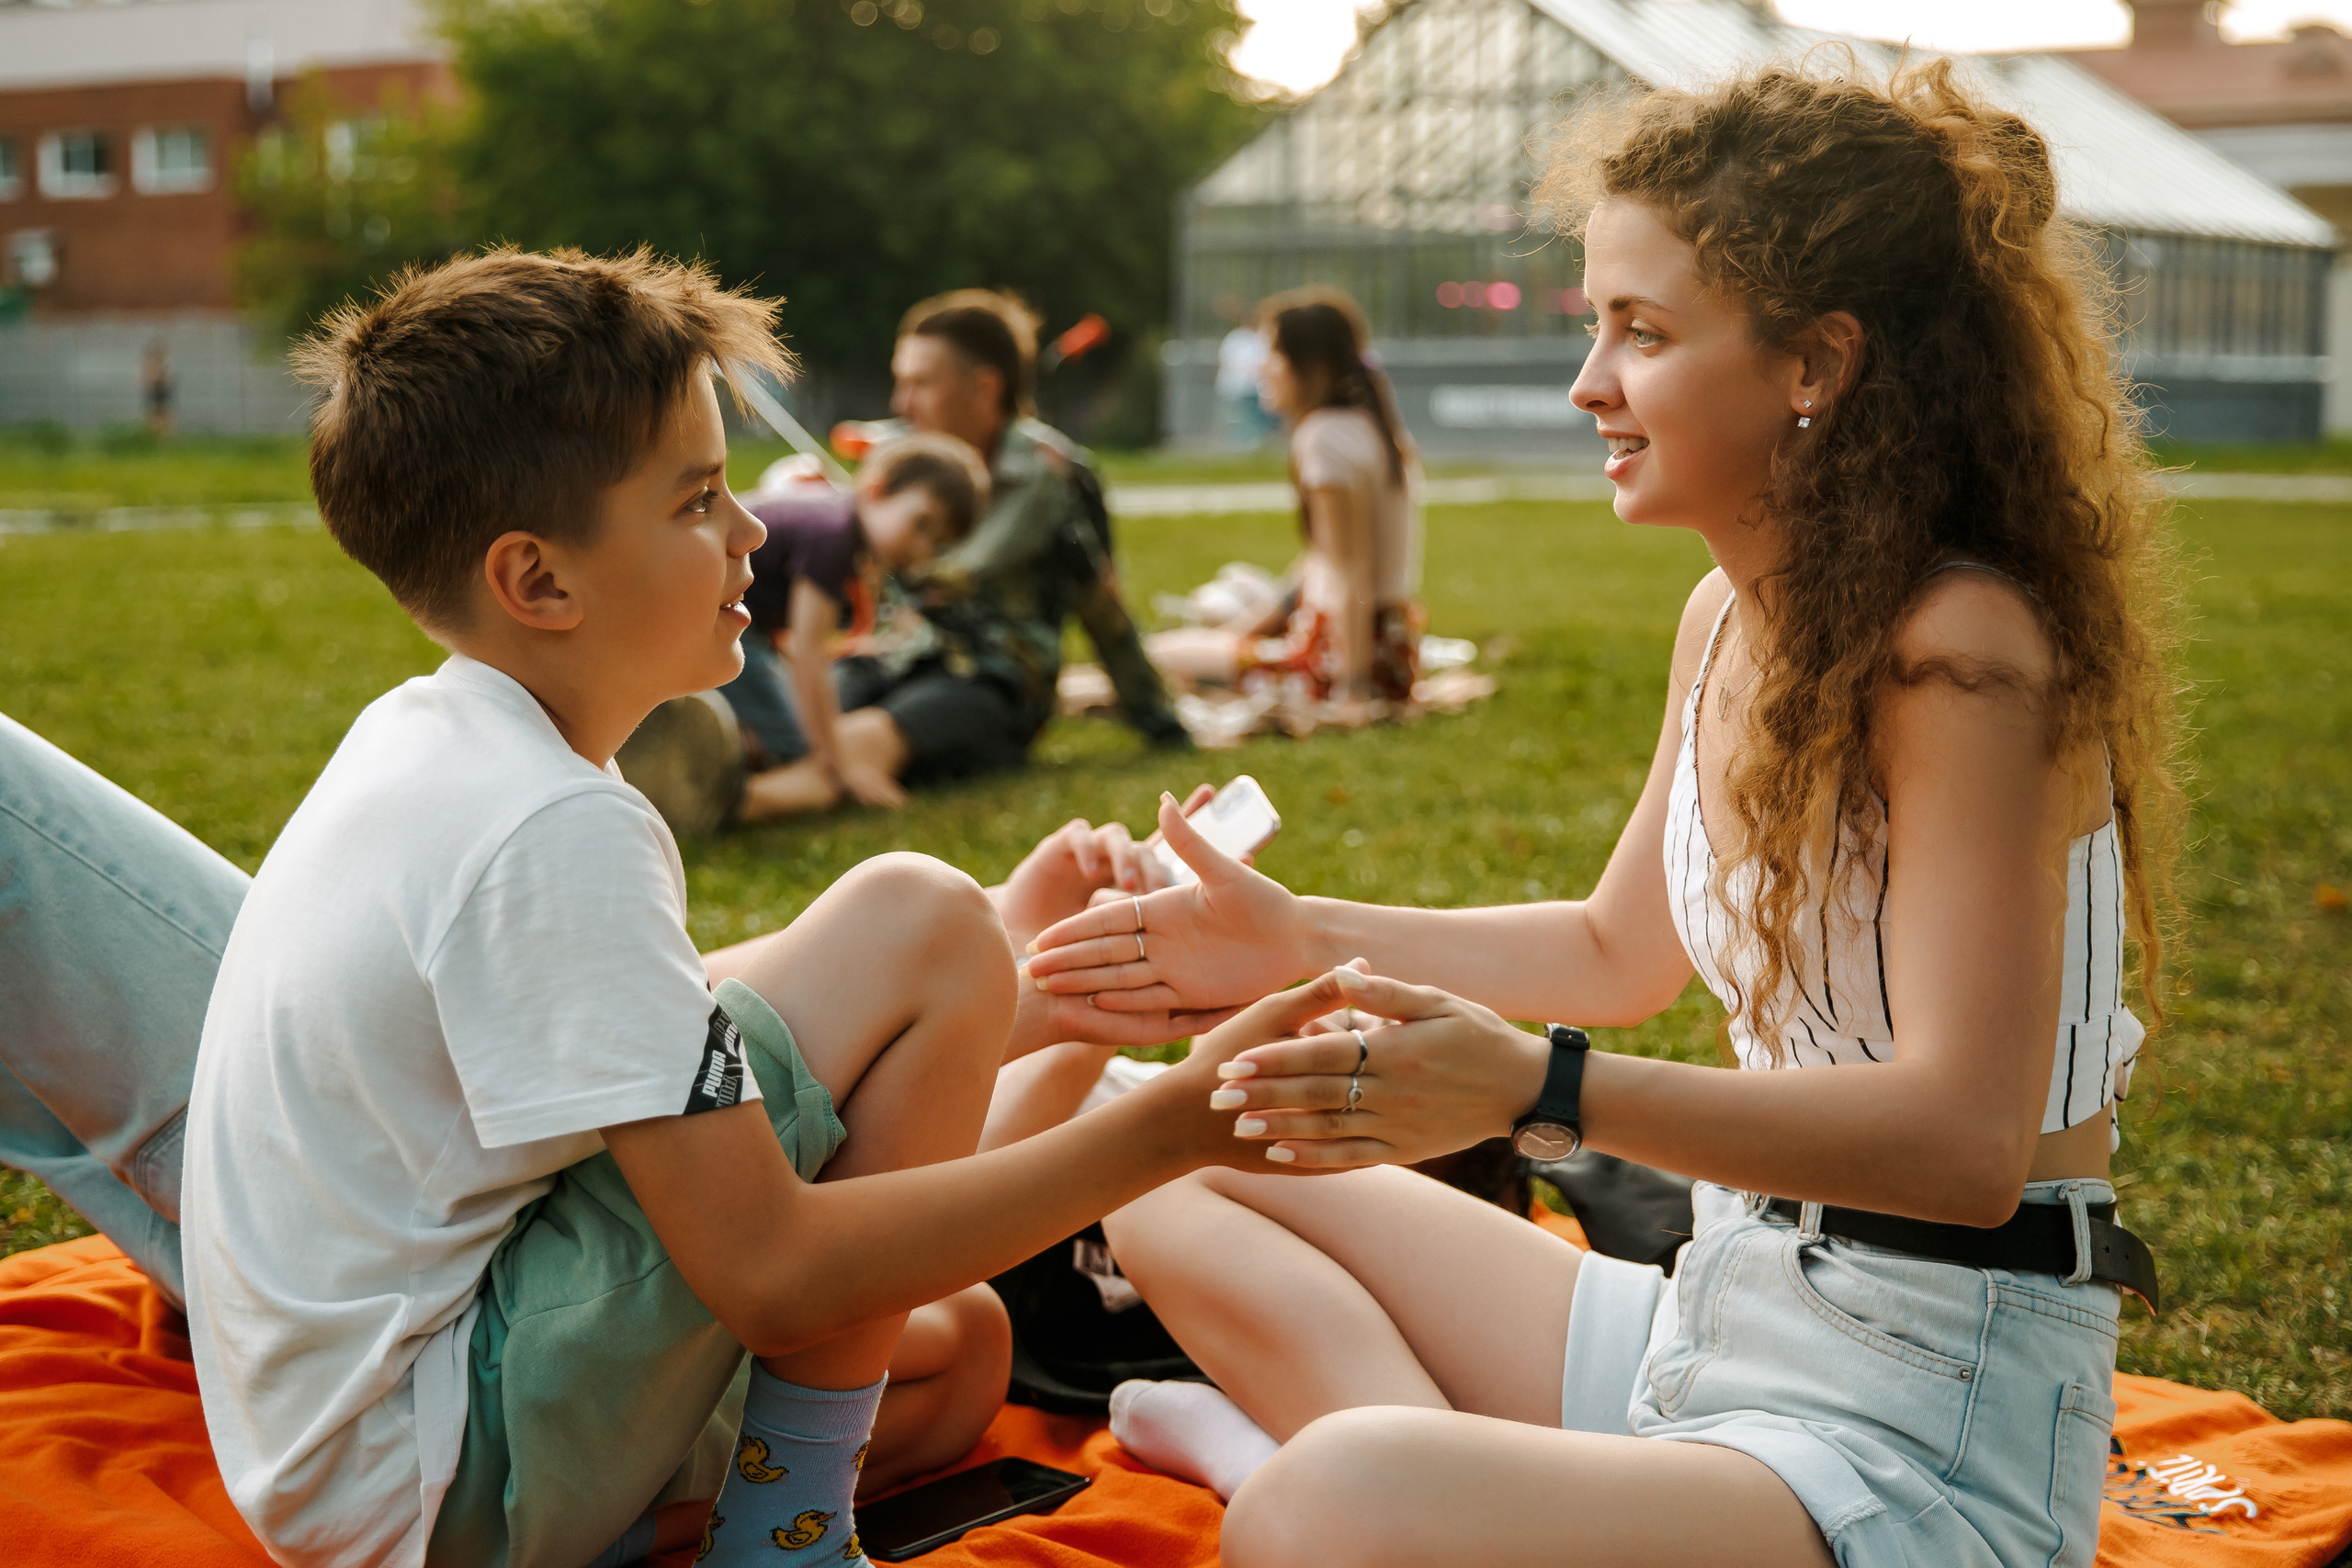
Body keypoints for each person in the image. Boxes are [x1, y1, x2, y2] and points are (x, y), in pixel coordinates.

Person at [1027, 59, 2183, 1568]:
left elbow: (1966, 1141)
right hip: (1723, 1314)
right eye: (1596, 325)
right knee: (1176, 1140)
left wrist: (1537, 1090)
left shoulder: (1962, 655)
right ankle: (1407, 1477)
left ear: (1812, 365)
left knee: (1332, 1507)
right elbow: (1609, 946)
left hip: (1923, 1429)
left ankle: (1339, 1475)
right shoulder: (1727, 615)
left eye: (1641, 331)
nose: (1589, 384)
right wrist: (1286, 936)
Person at [161, 245, 1323, 1568]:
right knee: (922, 915)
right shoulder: (551, 825)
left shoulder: (435, 740)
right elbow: (776, 1271)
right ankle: (787, 1540)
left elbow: (676, 1051)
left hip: (367, 1464)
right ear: (539, 581)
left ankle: (720, 1516)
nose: (754, 530)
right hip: (440, 1472)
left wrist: (1038, 1002)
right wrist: (1170, 1125)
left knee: (960, 1351)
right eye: (700, 499)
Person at [617, 433, 992, 830]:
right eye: (922, 525)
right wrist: (841, 765)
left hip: (703, 614)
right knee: (791, 744)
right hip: (696, 615)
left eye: (937, 544)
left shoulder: (833, 518)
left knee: (784, 712)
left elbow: (792, 636)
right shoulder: (835, 537)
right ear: (877, 489)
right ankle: (685, 764)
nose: (922, 549)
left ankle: (694, 739)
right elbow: (810, 655)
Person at [882, 288, 1191, 763]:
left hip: (992, 682)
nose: (901, 404)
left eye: (921, 384)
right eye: (900, 382)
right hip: (897, 660)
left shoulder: (1054, 477)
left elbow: (1103, 608)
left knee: (876, 733)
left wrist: (1163, 726)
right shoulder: (907, 461)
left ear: (985, 389)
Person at [1148, 289, 1425, 722]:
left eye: (1271, 354)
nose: (1260, 368)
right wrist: (1248, 630)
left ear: (1311, 367)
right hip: (1390, 653)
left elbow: (1349, 569)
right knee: (1212, 633)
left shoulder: (1323, 438)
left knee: (1159, 657)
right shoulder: (1370, 426)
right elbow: (1324, 559)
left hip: (1337, 660)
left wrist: (1351, 691)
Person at [1213, 295, 1275, 451]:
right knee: (1245, 420)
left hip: (1254, 389)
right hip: (1238, 388)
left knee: (1255, 420)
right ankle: (1243, 447)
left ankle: (1251, 447)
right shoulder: (1237, 338)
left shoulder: (1258, 339)